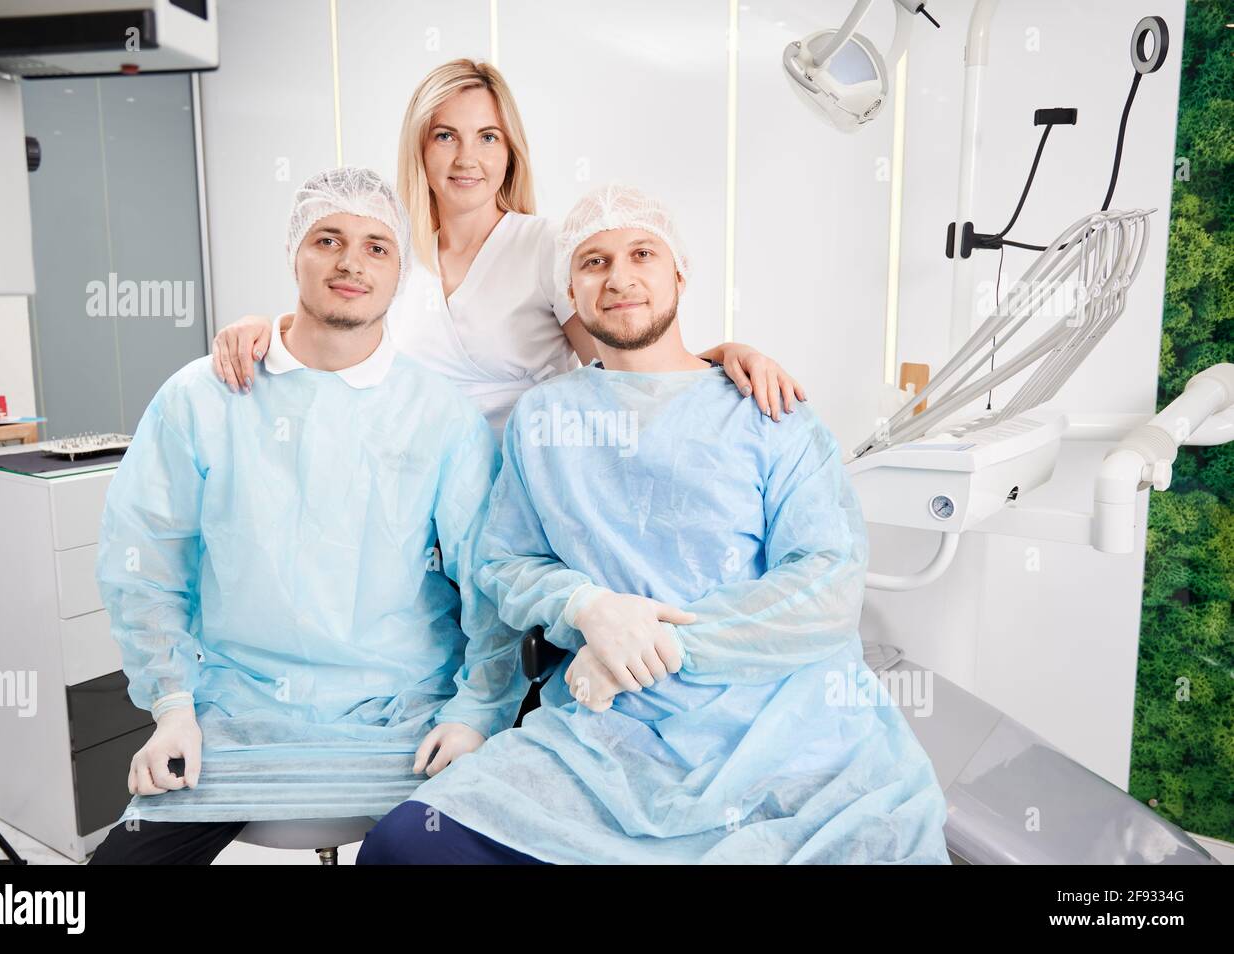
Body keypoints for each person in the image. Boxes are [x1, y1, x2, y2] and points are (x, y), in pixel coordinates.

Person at [358, 184, 951, 865]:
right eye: (593, 261)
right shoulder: (545, 420)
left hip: (780, 730)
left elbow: (827, 586)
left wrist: (654, 648)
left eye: (642, 252)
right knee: (403, 849)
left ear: (679, 272)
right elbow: (508, 562)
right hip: (609, 741)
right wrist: (590, 607)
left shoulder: (768, 410)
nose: (620, 277)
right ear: (570, 293)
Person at [88, 167, 525, 864]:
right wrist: (172, 709)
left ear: (401, 271)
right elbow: (145, 562)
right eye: (329, 239)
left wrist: (477, 711)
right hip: (233, 718)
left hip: (405, 715)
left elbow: (490, 581)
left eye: (377, 246)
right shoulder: (202, 398)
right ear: (295, 250)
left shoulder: (440, 416)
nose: (351, 262)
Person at [212, 59, 804, 437]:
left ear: (510, 151)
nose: (467, 159)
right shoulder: (395, 256)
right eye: (446, 136)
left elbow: (627, 362)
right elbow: (340, 332)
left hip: (531, 485)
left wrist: (728, 354)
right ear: (420, 149)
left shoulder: (548, 248)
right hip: (417, 490)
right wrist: (266, 327)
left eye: (487, 138)